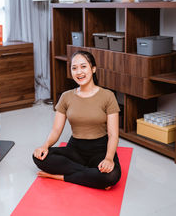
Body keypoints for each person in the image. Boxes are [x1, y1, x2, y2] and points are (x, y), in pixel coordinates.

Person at [33, 50, 121, 189]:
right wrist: (45, 145)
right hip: (75, 149)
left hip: (100, 149)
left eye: (83, 66)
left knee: (111, 176)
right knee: (38, 157)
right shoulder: (66, 97)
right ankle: (90, 176)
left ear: (93, 69)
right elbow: (56, 129)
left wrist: (109, 158)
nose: (79, 72)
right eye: (74, 68)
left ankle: (62, 177)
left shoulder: (108, 96)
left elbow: (113, 134)